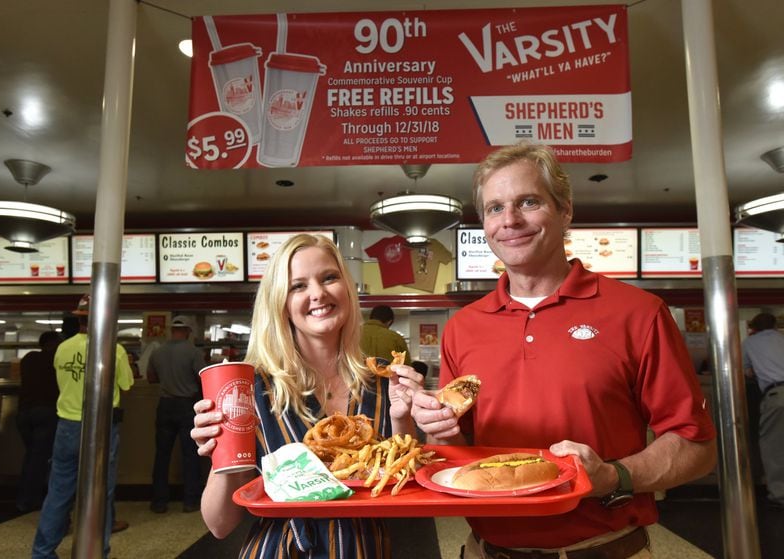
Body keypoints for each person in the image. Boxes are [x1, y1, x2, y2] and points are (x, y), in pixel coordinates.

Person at [411, 142, 717, 559]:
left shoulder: (638, 313)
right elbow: (452, 451)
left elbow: (695, 446)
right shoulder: (462, 327)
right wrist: (437, 429)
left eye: (528, 202)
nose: (510, 220)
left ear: (565, 210)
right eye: (495, 208)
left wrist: (612, 477)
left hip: (605, 549)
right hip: (486, 550)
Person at [191, 233, 425, 558]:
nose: (318, 293)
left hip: (363, 548)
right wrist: (223, 455)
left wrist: (403, 421)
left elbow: (406, 501)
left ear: (347, 288)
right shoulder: (250, 388)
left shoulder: (383, 379)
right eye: (298, 286)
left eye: (329, 278)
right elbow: (219, 524)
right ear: (281, 303)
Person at [32, 295, 135, 559]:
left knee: (58, 491)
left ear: (79, 318)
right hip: (100, 429)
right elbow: (126, 385)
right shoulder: (115, 348)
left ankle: (42, 552)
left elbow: (61, 383)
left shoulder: (63, 348)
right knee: (101, 492)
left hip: (66, 426)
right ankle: (96, 551)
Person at [147, 315, 206, 513]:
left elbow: (150, 377)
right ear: (188, 331)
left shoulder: (157, 352)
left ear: (172, 330)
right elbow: (203, 379)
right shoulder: (193, 352)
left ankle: (158, 502)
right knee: (190, 454)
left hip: (164, 405)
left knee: (161, 455)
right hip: (187, 406)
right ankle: (190, 501)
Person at [16, 331, 62, 512]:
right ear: (54, 343)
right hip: (46, 412)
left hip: (24, 413)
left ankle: (26, 497)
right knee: (40, 458)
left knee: (32, 457)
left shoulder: (28, 359)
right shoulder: (57, 360)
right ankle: (30, 500)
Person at [742, 312, 784, 508]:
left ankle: (780, 494)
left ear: (753, 327)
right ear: (774, 325)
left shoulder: (750, 343)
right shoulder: (781, 338)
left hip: (777, 395)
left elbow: (742, 370)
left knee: (774, 446)